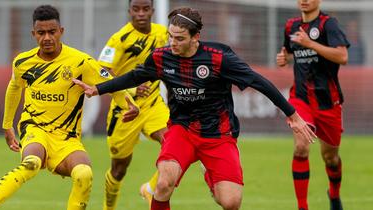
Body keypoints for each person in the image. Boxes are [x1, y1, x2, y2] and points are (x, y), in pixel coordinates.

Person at [74, 7, 316, 210]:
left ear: (195, 36)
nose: (173, 43)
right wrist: (98, 89)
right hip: (183, 130)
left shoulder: (219, 58)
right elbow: (135, 77)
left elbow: (259, 82)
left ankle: (210, 174)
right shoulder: (162, 57)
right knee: (163, 183)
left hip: (218, 135)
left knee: (230, 202)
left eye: (179, 38)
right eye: (170, 36)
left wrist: (292, 115)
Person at [0, 5, 138, 210]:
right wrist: (7, 125)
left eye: (52, 32)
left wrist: (128, 104)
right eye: (41, 33)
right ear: (33, 34)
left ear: (61, 31)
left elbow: (110, 84)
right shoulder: (23, 62)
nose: (47, 37)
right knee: (32, 163)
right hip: (35, 129)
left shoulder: (81, 62)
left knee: (84, 173)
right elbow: (14, 88)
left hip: (66, 137)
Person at [276, 1, 349, 210]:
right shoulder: (291, 26)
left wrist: (311, 44)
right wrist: (285, 58)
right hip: (300, 98)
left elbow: (343, 56)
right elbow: (292, 53)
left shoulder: (329, 24)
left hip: (328, 102)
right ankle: (302, 206)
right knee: (300, 148)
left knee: (331, 158)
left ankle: (334, 194)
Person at [96, 0, 169, 209]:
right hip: (124, 110)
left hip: (153, 105)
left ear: (153, 11)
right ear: (129, 11)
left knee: (175, 145)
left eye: (145, 9)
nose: (141, 14)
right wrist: (131, 89)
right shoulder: (119, 39)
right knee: (119, 169)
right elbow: (101, 72)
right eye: (136, 9)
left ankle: (150, 188)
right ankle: (108, 207)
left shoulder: (162, 34)